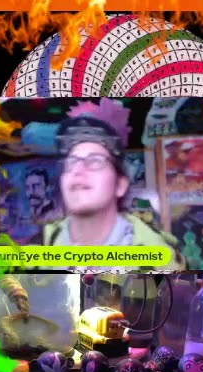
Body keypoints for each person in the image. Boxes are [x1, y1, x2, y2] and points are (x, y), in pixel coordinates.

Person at [35, 113, 185, 271]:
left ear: (120, 185)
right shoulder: (37, 250)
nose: (77, 170)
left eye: (95, 161)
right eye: (71, 162)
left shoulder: (161, 262)